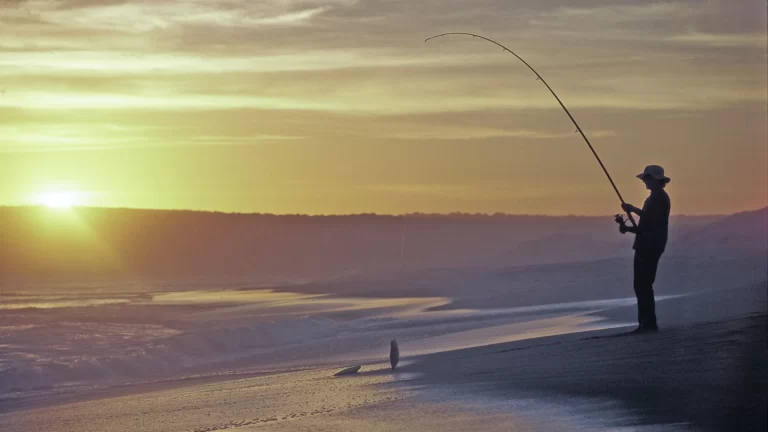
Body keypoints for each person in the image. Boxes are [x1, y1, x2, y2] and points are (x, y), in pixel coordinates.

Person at [619, 165, 671, 333]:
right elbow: (646, 224)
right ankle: (646, 323)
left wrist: (632, 210)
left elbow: (649, 222)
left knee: (643, 284)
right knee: (641, 284)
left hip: (650, 246)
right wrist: (627, 227)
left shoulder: (659, 198)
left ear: (654, 180)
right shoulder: (655, 197)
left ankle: (648, 324)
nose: (644, 182)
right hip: (647, 244)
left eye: (646, 179)